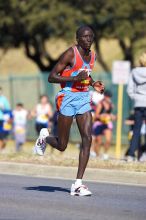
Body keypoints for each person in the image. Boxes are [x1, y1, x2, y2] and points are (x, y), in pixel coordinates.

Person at [34, 25, 104, 196]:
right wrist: (74, 78)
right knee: (62, 145)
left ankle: (78, 184)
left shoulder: (93, 55)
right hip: (67, 97)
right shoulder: (70, 53)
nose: (89, 39)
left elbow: (85, 74)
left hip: (83, 98)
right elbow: (52, 77)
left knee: (87, 138)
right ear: (78, 39)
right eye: (85, 37)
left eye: (91, 36)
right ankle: (45, 137)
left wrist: (93, 83)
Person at [126, 52, 146, 162]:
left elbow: (130, 89)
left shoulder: (134, 72)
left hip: (139, 105)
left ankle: (130, 155)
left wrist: (137, 98)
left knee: (136, 130)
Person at [91, 90, 116, 160]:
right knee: (99, 141)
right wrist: (102, 116)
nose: (109, 98)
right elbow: (96, 115)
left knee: (108, 140)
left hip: (107, 123)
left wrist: (112, 117)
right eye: (107, 97)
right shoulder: (100, 104)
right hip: (99, 123)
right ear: (105, 96)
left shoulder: (111, 105)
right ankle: (97, 154)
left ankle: (105, 154)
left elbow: (110, 114)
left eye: (110, 97)